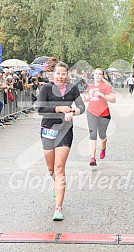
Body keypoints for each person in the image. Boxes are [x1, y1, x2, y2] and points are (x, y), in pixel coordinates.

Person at [37, 61, 85, 221]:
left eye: (63, 74)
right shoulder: (46, 88)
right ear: (53, 75)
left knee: (59, 168)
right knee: (51, 169)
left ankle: (58, 208)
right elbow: (40, 109)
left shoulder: (72, 88)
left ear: (67, 76)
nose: (60, 76)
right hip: (47, 130)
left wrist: (73, 111)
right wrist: (58, 108)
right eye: (58, 73)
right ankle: (55, 183)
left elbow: (81, 107)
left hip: (64, 131)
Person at [83, 68, 116, 166]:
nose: (97, 76)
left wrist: (102, 95)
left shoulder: (105, 87)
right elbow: (90, 97)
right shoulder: (90, 86)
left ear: (102, 76)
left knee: (102, 135)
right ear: (93, 75)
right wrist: (83, 100)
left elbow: (113, 99)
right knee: (92, 134)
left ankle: (103, 148)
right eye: (96, 74)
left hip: (103, 114)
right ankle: (92, 158)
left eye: (100, 74)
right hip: (91, 112)